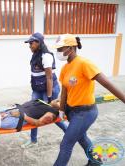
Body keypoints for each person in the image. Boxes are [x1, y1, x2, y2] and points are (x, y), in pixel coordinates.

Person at [52, 34, 125, 166]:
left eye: (60, 49)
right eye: (57, 49)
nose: (58, 52)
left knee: (66, 144)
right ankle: (96, 161)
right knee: (82, 137)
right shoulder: (65, 68)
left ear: (71, 48)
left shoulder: (84, 64)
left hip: (85, 113)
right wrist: (62, 110)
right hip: (72, 112)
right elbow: (64, 91)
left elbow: (107, 83)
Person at [22, 32, 68, 148]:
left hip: (49, 90)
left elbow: (49, 78)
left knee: (53, 115)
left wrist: (49, 97)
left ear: (39, 43)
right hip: (37, 90)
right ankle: (33, 140)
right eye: (29, 43)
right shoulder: (35, 54)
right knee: (33, 113)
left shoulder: (46, 56)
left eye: (31, 43)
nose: (30, 45)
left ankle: (69, 134)